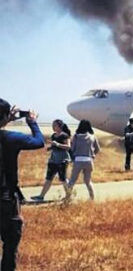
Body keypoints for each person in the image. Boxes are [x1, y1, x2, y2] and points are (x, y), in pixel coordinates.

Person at [0, 99, 45, 271]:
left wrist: (5, 119)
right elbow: (38, 141)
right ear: (6, 116)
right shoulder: (11, 138)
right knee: (10, 245)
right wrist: (32, 122)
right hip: (6, 199)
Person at [31, 120, 71, 201]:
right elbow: (54, 146)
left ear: (60, 126)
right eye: (52, 125)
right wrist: (50, 148)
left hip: (62, 159)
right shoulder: (53, 136)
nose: (53, 127)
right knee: (48, 178)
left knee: (63, 178)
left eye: (55, 125)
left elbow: (68, 147)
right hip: (53, 159)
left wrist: (57, 144)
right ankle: (41, 196)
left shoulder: (65, 136)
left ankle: (68, 196)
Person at [67, 120, 100, 200]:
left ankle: (68, 198)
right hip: (89, 160)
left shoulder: (76, 136)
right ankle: (92, 198)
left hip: (78, 160)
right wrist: (93, 155)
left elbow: (72, 148)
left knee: (72, 181)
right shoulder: (93, 136)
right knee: (88, 181)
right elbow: (98, 149)